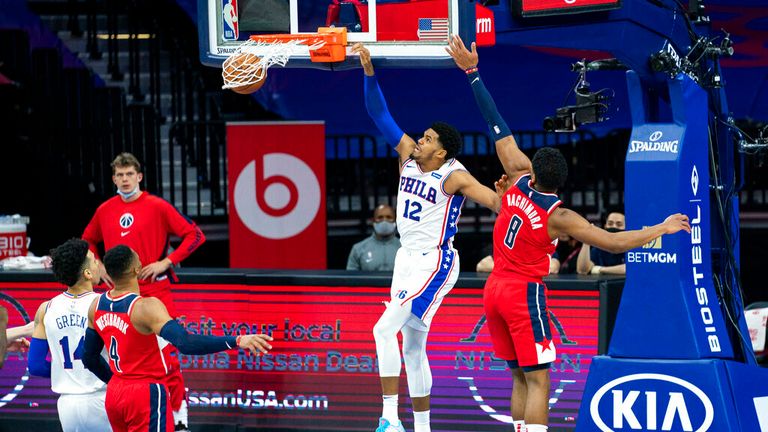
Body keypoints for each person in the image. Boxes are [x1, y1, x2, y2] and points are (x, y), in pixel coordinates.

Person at [446, 35, 691, 432]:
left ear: (532, 169)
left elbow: (496, 125)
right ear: (562, 181)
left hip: (493, 290)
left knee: (520, 376)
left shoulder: (516, 177)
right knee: (540, 378)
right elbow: (612, 242)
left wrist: (473, 73)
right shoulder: (557, 215)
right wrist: (660, 227)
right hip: (523, 293)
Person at [352, 43, 504, 432]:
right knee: (412, 347)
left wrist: (507, 196)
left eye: (429, 138)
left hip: (435, 261)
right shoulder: (407, 155)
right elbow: (378, 113)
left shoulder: (454, 174)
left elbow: (495, 203)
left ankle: (388, 418)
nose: (420, 139)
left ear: (442, 152)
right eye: (423, 135)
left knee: (382, 330)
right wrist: (369, 72)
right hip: (407, 259)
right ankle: (422, 428)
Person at [83, 245, 273, 432]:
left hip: (116, 393)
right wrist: (237, 340)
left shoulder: (96, 305)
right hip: (145, 392)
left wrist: (118, 382)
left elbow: (89, 357)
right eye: (137, 257)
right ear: (136, 269)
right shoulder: (145, 307)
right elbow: (186, 343)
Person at [82, 152, 205, 431]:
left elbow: (195, 234)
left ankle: (180, 416)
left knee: (168, 356)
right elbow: (87, 240)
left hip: (154, 291)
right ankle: (130, 410)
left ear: (139, 176)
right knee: (125, 356)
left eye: (129, 174)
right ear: (113, 178)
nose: (125, 180)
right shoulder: (105, 209)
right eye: (120, 175)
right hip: (119, 294)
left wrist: (167, 261)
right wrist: (97, 263)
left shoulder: (157, 206)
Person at [27, 238, 112, 431]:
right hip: (102, 397)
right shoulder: (105, 305)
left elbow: (36, 366)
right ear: (88, 273)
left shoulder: (46, 308)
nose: (99, 263)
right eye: (94, 260)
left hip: (67, 405)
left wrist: (64, 372)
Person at [347, 204, 401, 271]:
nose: (384, 221)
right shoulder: (358, 249)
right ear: (373, 221)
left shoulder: (405, 248)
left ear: (396, 220)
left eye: (389, 217)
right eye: (380, 217)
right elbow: (351, 278)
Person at [577, 211, 626, 275]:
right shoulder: (598, 247)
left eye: (619, 224)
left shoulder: (633, 245)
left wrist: (599, 269)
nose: (614, 227)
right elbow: (582, 270)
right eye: (610, 224)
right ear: (605, 226)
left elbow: (629, 268)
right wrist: (586, 241)